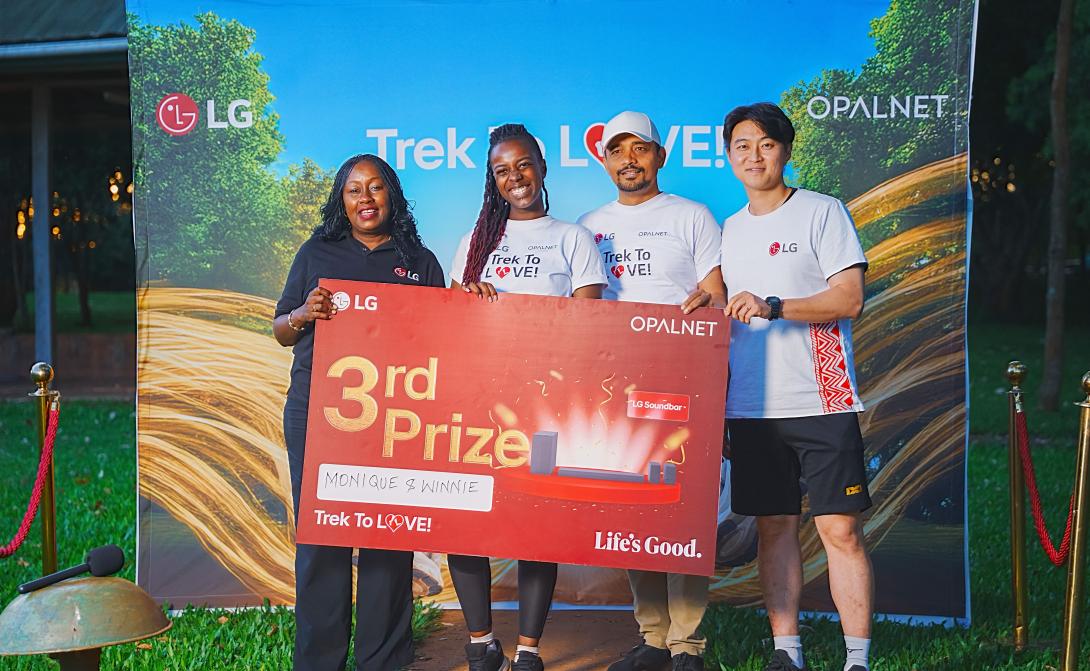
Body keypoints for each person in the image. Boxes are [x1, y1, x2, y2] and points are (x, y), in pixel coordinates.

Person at [273, 154, 446, 671]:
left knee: (386, 540)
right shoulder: (316, 252)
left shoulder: (419, 261)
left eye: (375, 188)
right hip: (316, 415)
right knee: (323, 539)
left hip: (394, 419)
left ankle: (383, 661)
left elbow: (442, 339)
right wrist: (304, 313)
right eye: (354, 190)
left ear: (392, 195)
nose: (365, 199)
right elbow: (281, 329)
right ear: (341, 200)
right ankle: (319, 661)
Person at [719, 102, 873, 671]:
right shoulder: (729, 230)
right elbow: (721, 308)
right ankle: (788, 652)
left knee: (840, 530)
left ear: (785, 150)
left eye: (765, 143)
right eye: (741, 145)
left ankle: (857, 658)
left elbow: (849, 299)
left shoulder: (822, 212)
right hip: (753, 406)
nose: (753, 155)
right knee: (773, 527)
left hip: (821, 396)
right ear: (728, 154)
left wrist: (776, 306)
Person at [447, 123, 606, 671]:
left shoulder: (571, 237)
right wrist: (470, 299)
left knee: (538, 527)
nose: (514, 178)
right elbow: (452, 319)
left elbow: (591, 323)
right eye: (501, 171)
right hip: (480, 400)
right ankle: (479, 641)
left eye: (523, 165)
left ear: (541, 167)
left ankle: (529, 650)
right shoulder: (475, 242)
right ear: (492, 182)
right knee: (465, 519)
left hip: (548, 405)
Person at [578, 110, 726, 671]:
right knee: (635, 512)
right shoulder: (587, 224)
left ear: (660, 156)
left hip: (682, 379)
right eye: (617, 151)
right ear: (606, 161)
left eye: (640, 149)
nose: (629, 160)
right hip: (615, 385)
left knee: (682, 511)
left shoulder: (692, 216)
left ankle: (689, 643)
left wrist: (703, 303)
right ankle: (654, 638)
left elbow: (716, 294)